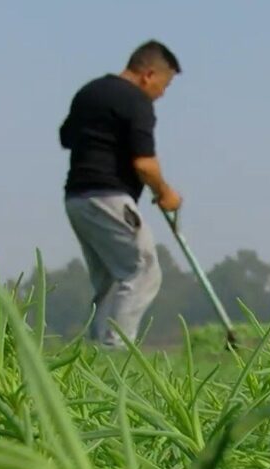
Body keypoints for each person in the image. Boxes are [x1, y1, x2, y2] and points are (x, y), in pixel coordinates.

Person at [59, 40, 183, 348]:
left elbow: (67, 137)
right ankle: (117, 354)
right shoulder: (136, 101)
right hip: (109, 196)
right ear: (148, 74)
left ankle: (97, 356)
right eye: (163, 86)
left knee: (112, 280)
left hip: (77, 199)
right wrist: (166, 193)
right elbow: (145, 164)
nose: (161, 95)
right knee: (143, 270)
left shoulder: (89, 92)